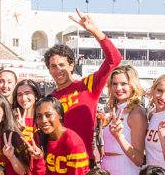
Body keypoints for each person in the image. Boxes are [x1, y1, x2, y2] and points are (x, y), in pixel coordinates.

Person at [45, 9, 122, 160]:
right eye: (53, 66)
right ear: (49, 69)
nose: (58, 70)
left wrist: (94, 31)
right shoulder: (50, 99)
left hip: (83, 163)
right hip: (55, 164)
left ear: (72, 65)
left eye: (62, 65)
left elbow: (114, 60)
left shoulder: (88, 86)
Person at [100, 65, 147, 175]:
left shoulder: (136, 112)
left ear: (132, 85)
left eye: (123, 84)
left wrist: (119, 136)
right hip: (109, 172)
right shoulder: (116, 108)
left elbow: (139, 158)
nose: (118, 88)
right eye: (114, 84)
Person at [36, 95, 89, 175]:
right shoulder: (40, 138)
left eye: (48, 115)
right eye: (39, 116)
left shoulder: (73, 142)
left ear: (59, 114)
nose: (43, 120)